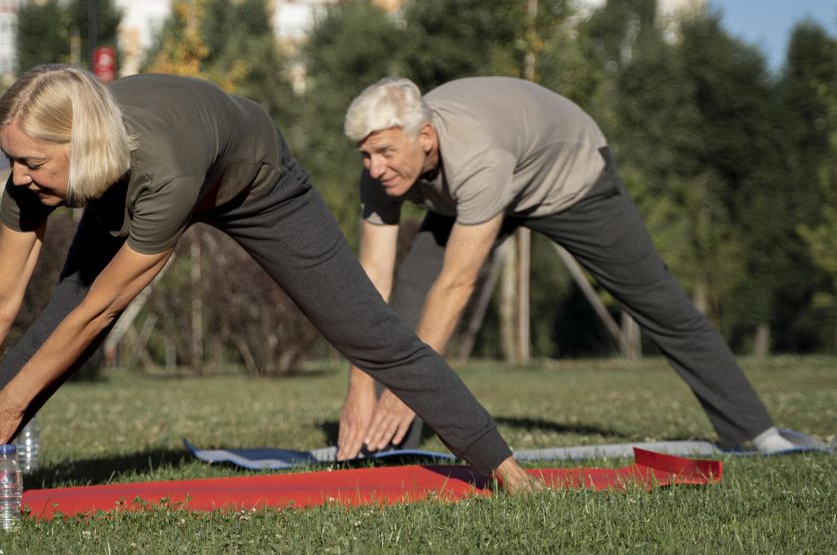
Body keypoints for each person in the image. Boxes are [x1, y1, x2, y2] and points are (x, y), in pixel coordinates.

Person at [0, 66, 536, 519]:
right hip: (135, 173)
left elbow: (102, 312)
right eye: (10, 159)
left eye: (32, 163)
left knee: (366, 331)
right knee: (48, 323)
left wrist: (9, 404)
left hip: (256, 183)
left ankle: (505, 468)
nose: (17, 177)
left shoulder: (163, 167)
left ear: (81, 144)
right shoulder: (38, 176)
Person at [335, 76, 798, 460]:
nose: (374, 168)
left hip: (570, 177)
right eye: (366, 155)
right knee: (413, 294)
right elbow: (373, 279)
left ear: (426, 138)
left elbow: (457, 284)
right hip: (475, 192)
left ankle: (755, 431)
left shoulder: (478, 155)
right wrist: (360, 385)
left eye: (386, 154)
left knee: (655, 299)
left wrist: (405, 388)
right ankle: (390, 450)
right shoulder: (380, 165)